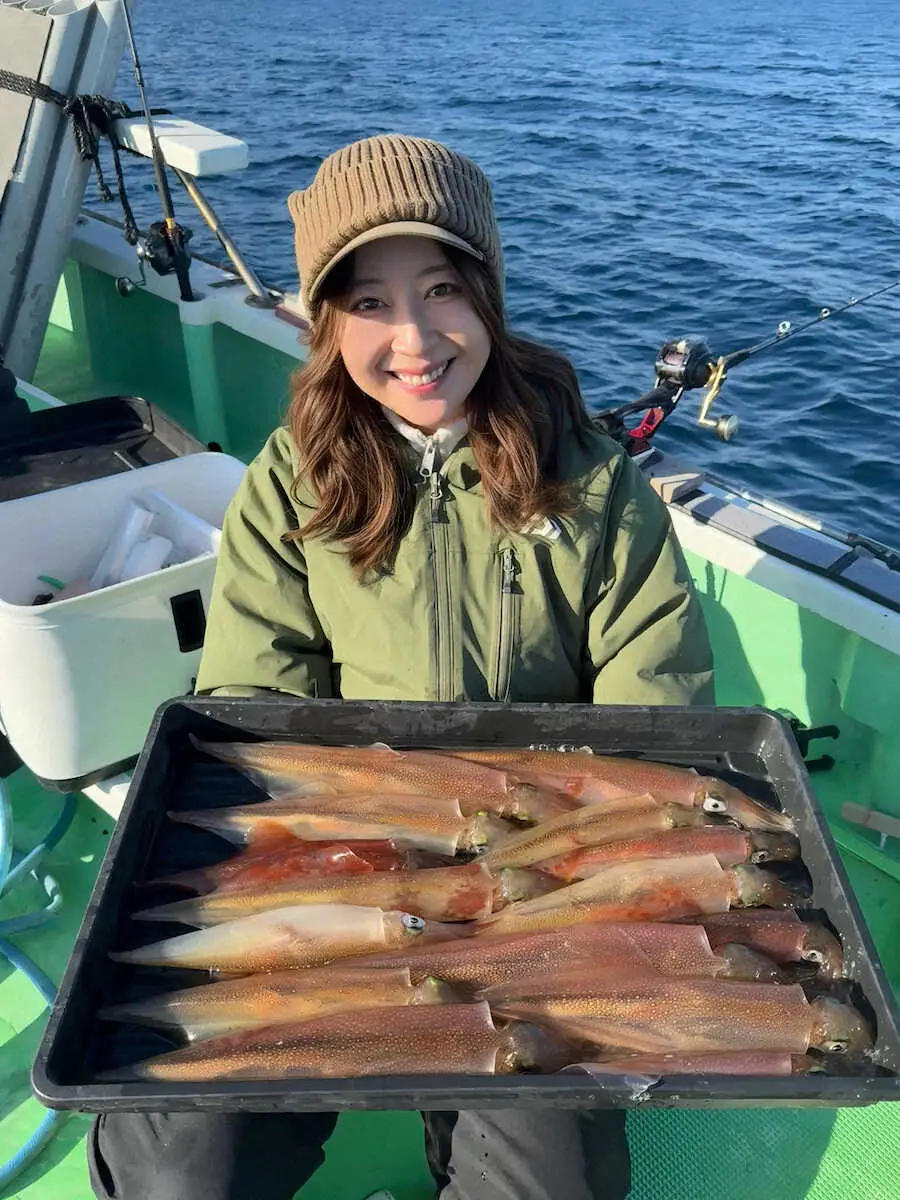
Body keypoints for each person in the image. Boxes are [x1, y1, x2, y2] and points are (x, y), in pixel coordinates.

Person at [88, 133, 713, 1200]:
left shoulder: (594, 485)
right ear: (327, 324)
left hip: (544, 872)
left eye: (442, 290)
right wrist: (328, 855)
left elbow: (655, 718)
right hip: (353, 849)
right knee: (185, 1162)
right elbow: (256, 692)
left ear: (488, 296)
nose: (415, 339)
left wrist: (560, 872)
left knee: (549, 1180)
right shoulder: (294, 480)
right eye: (370, 302)